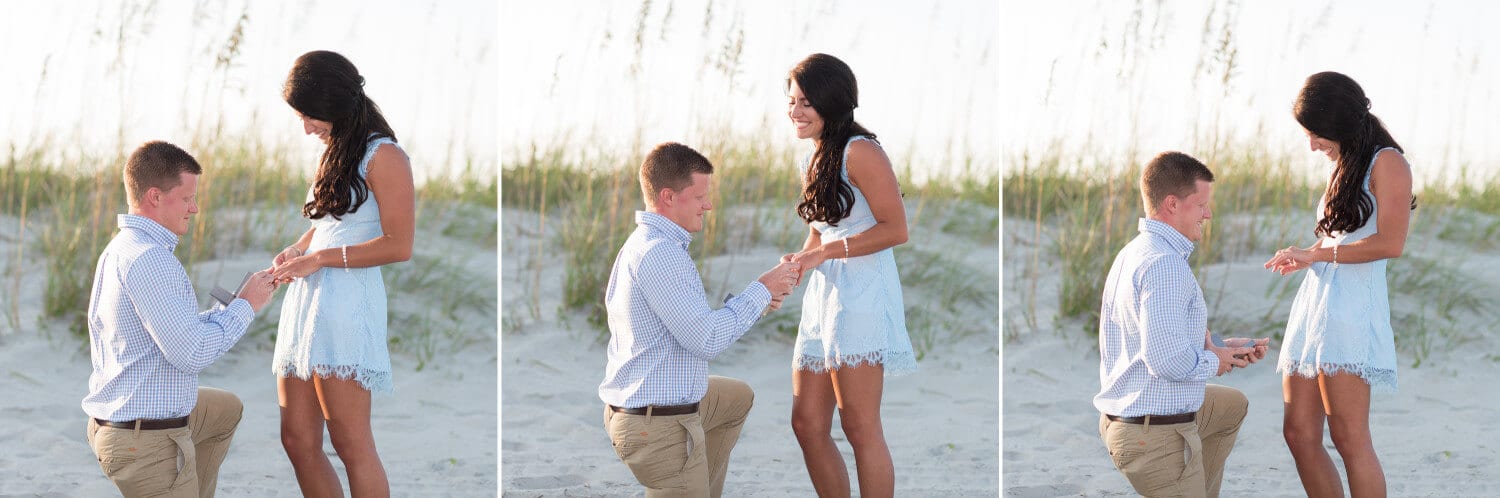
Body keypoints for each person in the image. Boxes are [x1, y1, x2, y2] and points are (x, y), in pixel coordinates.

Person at [598, 142, 800, 497]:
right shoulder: (660, 254)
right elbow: (706, 340)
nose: (708, 205)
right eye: (699, 196)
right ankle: (678, 479)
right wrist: (762, 290)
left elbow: (695, 324)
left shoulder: (650, 243)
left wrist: (762, 298)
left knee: (736, 397)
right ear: (668, 197)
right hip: (654, 427)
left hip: (645, 411)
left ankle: (694, 487)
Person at [83, 140, 278, 498]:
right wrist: (245, 308)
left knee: (225, 410)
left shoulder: (123, 247)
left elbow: (171, 331)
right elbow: (192, 355)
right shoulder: (150, 259)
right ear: (155, 197)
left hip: (120, 420)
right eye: (188, 198)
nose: (196, 208)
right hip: (142, 442)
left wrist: (232, 305)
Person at [269, 50, 415, 498]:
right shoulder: (335, 151)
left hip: (348, 302)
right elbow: (331, 225)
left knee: (350, 441)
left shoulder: (384, 155)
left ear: (335, 103)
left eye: (310, 115)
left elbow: (398, 245)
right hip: (308, 302)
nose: (307, 127)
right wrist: (299, 247)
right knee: (296, 439)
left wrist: (318, 260)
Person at [1264, 71, 1413, 498]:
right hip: (1317, 304)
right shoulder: (1345, 164)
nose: (1311, 145)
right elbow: (1340, 235)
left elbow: (1391, 243)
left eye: (1315, 133)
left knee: (1349, 438)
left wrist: (1318, 255)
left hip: (1351, 312)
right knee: (1297, 433)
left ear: (1340, 120)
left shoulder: (1389, 162)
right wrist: (1304, 252)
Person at [1094, 151, 1269, 498]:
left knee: (1231, 406)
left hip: (1126, 416)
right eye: (1200, 204)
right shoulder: (1164, 265)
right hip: (1151, 435)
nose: (1208, 213)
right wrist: (1214, 362)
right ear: (1172, 204)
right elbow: (1166, 360)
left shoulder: (1137, 250)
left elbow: (1162, 337)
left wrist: (1219, 347)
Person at [781, 53, 915, 498]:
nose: (794, 111)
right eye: (792, 101)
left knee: (859, 425)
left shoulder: (863, 151)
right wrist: (794, 267)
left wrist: (827, 254)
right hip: (824, 296)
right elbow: (819, 234)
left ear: (831, 101)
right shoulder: (813, 160)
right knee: (807, 423)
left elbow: (896, 229)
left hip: (863, 293)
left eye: (805, 102)